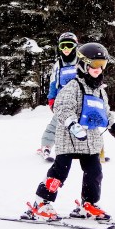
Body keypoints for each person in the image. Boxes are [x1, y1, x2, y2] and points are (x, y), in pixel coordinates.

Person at [23, 42, 115, 221]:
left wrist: (111, 124)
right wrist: (72, 125)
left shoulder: (99, 90)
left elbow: (103, 111)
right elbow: (62, 108)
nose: (98, 69)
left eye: (102, 65)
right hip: (69, 137)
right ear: (83, 64)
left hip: (90, 139)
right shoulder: (73, 86)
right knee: (60, 172)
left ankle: (89, 204)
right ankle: (42, 202)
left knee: (94, 172)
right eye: (95, 65)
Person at [36, 32, 79, 161]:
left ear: (75, 46)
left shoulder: (81, 62)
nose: (66, 49)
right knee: (56, 123)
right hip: (62, 100)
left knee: (87, 123)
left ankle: (95, 150)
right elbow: (53, 83)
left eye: (69, 45)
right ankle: (46, 146)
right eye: (63, 46)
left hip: (79, 98)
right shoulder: (58, 65)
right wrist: (51, 99)